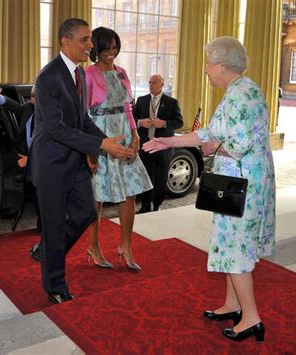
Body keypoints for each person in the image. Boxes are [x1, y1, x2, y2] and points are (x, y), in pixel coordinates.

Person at [143, 37, 275, 342]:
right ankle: (233, 304)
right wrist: (168, 141)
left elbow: (235, 145)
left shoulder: (241, 94)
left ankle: (251, 318)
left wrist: (214, 146)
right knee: (230, 243)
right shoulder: (240, 89)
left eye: (208, 62)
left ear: (222, 65)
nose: (205, 69)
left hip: (242, 185)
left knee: (237, 247)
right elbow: (207, 133)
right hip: (239, 182)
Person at [27, 18, 134, 304]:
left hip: (74, 161)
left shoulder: (79, 73)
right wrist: (101, 144)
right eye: (85, 40)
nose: (90, 45)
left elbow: (81, 120)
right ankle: (55, 286)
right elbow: (56, 128)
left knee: (86, 213)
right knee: (54, 226)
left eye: (90, 40)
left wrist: (106, 144)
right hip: (51, 164)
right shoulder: (49, 77)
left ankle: (47, 251)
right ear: (66, 41)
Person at [85, 27, 152, 271]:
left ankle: (126, 246)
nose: (112, 52)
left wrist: (135, 134)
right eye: (107, 48)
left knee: (130, 192)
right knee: (97, 194)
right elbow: (84, 114)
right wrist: (90, 149)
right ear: (96, 48)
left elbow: (128, 108)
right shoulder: (88, 74)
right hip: (101, 135)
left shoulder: (122, 72)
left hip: (124, 134)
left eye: (115, 47)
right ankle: (93, 245)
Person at [0, 86, 42, 236]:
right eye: (32, 96)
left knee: (40, 187)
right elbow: (12, 106)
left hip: (42, 159)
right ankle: (8, 206)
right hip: (24, 155)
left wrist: (31, 159)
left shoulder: (51, 116)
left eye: (36, 96)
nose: (33, 99)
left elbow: (50, 146)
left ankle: (45, 226)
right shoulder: (29, 107)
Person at [133, 74, 183, 213]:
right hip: (145, 145)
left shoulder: (172, 102)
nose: (151, 85)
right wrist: (140, 122)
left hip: (163, 146)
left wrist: (164, 123)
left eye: (154, 82)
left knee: (161, 178)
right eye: (149, 82)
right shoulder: (142, 100)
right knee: (146, 176)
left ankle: (157, 205)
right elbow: (132, 117)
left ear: (162, 85)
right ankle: (145, 205)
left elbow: (179, 122)